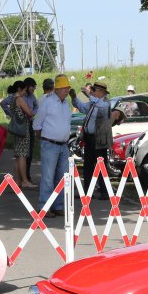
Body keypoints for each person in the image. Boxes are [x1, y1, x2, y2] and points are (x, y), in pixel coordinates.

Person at [32, 74, 89, 214]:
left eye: (68, 88)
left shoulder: (65, 104)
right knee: (48, 178)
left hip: (63, 145)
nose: (67, 90)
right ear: (57, 89)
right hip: (50, 144)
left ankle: (58, 206)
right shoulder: (47, 102)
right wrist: (44, 139)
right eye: (64, 88)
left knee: (62, 178)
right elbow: (37, 124)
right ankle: (45, 207)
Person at [79, 78, 113, 192]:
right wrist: (74, 98)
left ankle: (104, 191)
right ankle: (87, 191)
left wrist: (88, 94)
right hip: (90, 138)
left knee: (101, 166)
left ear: (101, 92)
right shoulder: (94, 102)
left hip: (99, 139)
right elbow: (82, 107)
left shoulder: (105, 103)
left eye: (94, 90)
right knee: (88, 165)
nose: (92, 92)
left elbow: (101, 107)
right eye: (92, 89)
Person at [1, 81, 35, 188]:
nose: (25, 92)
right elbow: (29, 112)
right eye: (24, 90)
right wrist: (34, 112)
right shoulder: (19, 99)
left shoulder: (12, 98)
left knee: (17, 156)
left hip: (16, 130)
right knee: (22, 156)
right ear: (19, 89)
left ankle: (17, 181)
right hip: (23, 130)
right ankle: (25, 181)